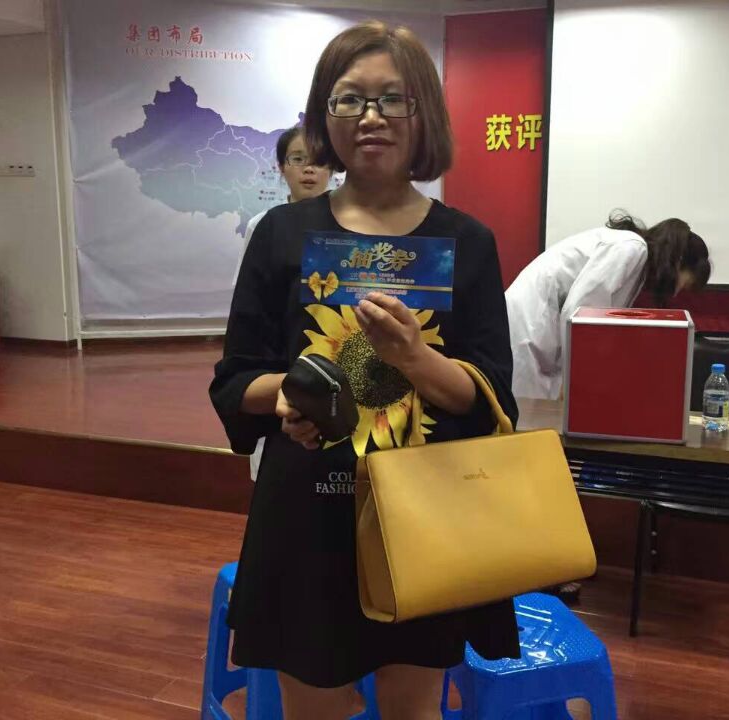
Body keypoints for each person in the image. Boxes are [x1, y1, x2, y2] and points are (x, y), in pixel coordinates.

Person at [210, 20, 519, 720]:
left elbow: (490, 396)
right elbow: (235, 380)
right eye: (349, 98)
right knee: (313, 707)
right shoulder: (283, 235)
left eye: (392, 99)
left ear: (423, 113)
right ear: (325, 115)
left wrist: (413, 357)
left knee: (415, 707)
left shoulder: (467, 242)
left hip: (427, 512)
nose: (370, 117)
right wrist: (288, 394)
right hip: (308, 517)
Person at [506, 211, 711, 401]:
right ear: (678, 262)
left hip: (540, 329)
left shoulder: (635, 258)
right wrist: (572, 379)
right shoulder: (631, 248)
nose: (675, 293)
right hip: (530, 325)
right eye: (684, 284)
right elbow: (580, 315)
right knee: (526, 415)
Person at [235, 128, 332, 481]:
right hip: (279, 350)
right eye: (298, 159)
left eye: (318, 161)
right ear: (281, 167)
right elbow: (249, 296)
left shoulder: (344, 226)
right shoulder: (265, 225)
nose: (309, 169)